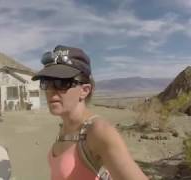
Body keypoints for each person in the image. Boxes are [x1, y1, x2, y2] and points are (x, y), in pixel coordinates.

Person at [31, 45, 148, 180]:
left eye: (60, 83)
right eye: (46, 83)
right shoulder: (65, 128)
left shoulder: (98, 132)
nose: (51, 90)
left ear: (85, 90)